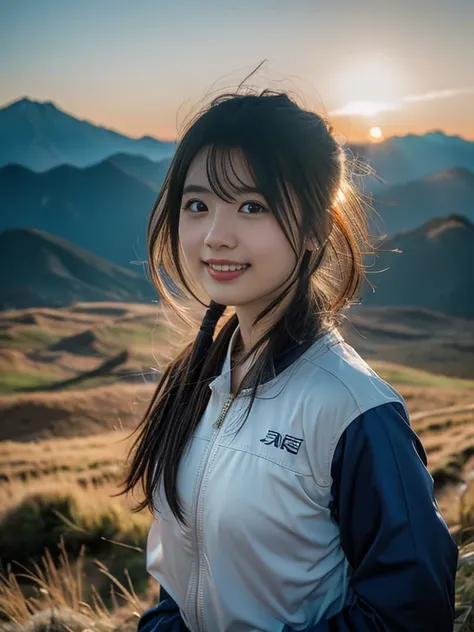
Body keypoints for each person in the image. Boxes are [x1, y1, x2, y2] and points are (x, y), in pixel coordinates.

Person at [115, 86, 459, 632]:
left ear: (315, 230)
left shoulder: (354, 411)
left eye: (253, 207)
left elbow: (411, 612)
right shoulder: (194, 380)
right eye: (197, 205)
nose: (215, 237)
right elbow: (185, 578)